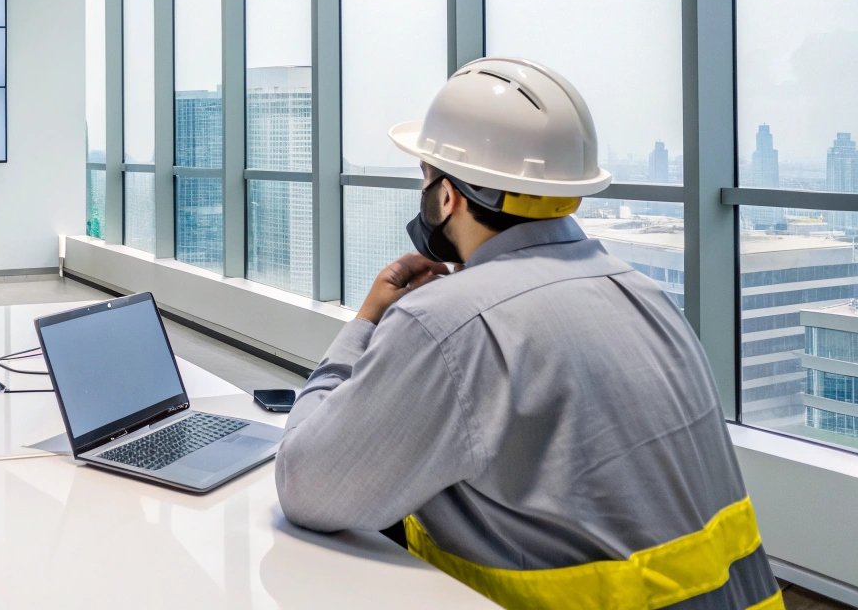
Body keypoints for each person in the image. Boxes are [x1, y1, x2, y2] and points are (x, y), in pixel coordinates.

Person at [274, 57, 783, 610]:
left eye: (425, 176)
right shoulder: (644, 293)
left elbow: (307, 484)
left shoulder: (447, 323)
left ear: (447, 196)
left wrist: (365, 325)